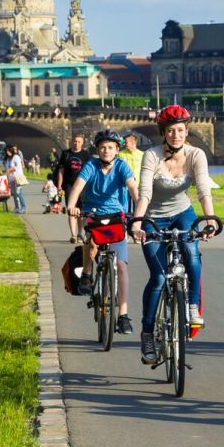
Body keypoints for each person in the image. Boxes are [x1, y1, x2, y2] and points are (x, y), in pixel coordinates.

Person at [130, 105, 219, 365]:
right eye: (171, 131)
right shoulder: (152, 156)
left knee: (192, 256)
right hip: (153, 217)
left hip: (183, 213)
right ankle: (148, 333)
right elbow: (145, 192)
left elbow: (203, 189)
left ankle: (191, 305)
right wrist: (138, 222)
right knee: (158, 277)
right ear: (163, 132)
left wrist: (210, 218)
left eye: (180, 130)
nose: (176, 135)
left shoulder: (196, 155)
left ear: (186, 131)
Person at [66, 129, 139, 336]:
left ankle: (123, 315)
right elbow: (78, 185)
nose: (106, 151)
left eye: (110, 147)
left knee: (121, 266)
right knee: (90, 240)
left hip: (117, 216)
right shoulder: (91, 165)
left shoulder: (122, 166)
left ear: (117, 150)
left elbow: (132, 187)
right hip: (93, 212)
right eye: (103, 147)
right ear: (98, 150)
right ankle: (87, 275)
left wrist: (140, 208)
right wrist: (72, 206)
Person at [51, 133, 90, 243]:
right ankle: (73, 234)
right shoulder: (66, 153)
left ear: (82, 143)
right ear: (71, 141)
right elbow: (61, 171)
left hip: (83, 186)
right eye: (74, 141)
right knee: (71, 209)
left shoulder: (86, 155)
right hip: (69, 185)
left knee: (81, 212)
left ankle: (79, 234)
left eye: (78, 142)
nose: (76, 143)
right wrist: (59, 186)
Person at [4, 144, 29, 214]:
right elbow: (5, 168)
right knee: (14, 194)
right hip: (11, 179)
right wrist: (1, 172)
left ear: (11, 150)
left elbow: (17, 167)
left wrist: (8, 170)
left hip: (17, 178)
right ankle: (17, 208)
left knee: (18, 193)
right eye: (6, 151)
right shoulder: (8, 159)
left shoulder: (16, 157)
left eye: (8, 151)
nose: (7, 152)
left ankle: (23, 208)